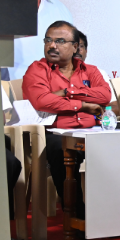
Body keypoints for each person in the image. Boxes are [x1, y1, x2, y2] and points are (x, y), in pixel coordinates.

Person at [22, 21, 112, 217]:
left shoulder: (90, 71)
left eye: (60, 41)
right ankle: (78, 218)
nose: (52, 45)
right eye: (48, 40)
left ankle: (113, 213)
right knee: (61, 150)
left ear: (75, 47)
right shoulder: (37, 70)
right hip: (54, 133)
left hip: (91, 131)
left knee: (119, 145)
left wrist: (66, 92)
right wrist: (83, 105)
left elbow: (105, 96)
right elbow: (42, 100)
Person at [74, 30, 117, 102]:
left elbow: (113, 105)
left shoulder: (98, 72)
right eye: (74, 46)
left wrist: (95, 108)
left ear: (86, 51)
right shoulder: (56, 73)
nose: (78, 49)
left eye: (81, 46)